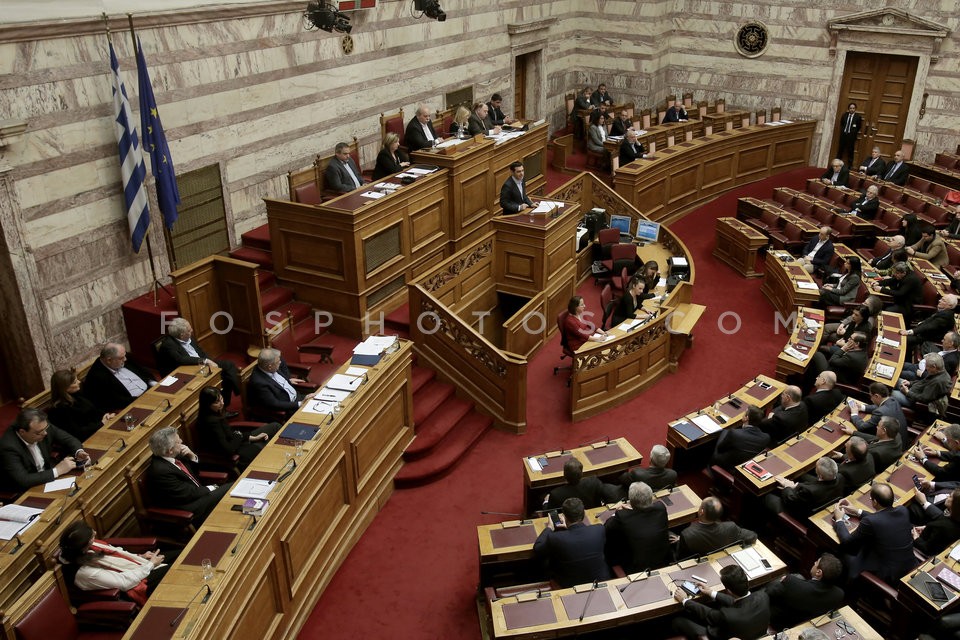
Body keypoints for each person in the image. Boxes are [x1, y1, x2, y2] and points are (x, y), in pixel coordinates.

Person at [59, 521, 177, 605]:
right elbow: (124, 582)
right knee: (180, 568)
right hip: (136, 583)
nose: (95, 533)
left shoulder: (85, 548)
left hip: (139, 567)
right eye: (91, 537)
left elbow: (116, 554)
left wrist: (141, 557)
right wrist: (150, 565)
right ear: (83, 547)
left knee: (182, 554)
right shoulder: (84, 572)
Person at [833, 482, 918, 583]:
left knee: (839, 550)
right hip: (908, 564)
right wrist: (858, 511)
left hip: (887, 573)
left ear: (875, 502)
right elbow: (884, 518)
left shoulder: (869, 522)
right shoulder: (903, 510)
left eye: (871, 499)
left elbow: (847, 542)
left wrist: (839, 520)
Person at [146, 426, 230, 525]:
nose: (181, 441)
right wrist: (212, 487)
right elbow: (187, 494)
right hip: (189, 507)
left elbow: (194, 475)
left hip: (197, 493)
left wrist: (192, 456)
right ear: (170, 450)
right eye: (178, 441)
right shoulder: (160, 471)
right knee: (232, 487)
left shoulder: (173, 455)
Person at [157, 317, 241, 412]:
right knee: (225, 377)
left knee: (228, 366)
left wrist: (208, 361)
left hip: (202, 365)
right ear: (181, 335)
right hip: (187, 372)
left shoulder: (188, 337)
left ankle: (238, 394)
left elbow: (200, 352)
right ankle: (224, 407)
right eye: (189, 330)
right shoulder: (168, 345)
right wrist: (204, 361)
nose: (192, 330)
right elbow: (181, 360)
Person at [671, 564, 770, 640]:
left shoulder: (728, 616)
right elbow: (738, 602)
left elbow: (708, 614)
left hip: (720, 636)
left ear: (729, 591)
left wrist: (685, 600)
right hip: (751, 632)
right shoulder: (763, 596)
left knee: (678, 620)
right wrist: (711, 592)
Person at [0, 408, 89, 492]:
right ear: (22, 432)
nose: (45, 433)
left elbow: (69, 439)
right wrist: (57, 470)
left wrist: (79, 452)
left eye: (45, 429)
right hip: (27, 490)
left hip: (49, 479)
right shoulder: (8, 447)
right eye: (40, 432)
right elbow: (24, 480)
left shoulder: (42, 426)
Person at [533, 497, 612, 588]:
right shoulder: (599, 529)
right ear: (583, 514)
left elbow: (538, 549)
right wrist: (570, 528)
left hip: (569, 585)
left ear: (564, 516)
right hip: (600, 582)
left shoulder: (555, 538)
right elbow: (583, 537)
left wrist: (550, 527)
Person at [197, 387, 281, 470]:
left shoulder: (217, 412)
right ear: (207, 405)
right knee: (268, 445)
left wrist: (252, 438)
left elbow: (230, 433)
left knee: (275, 427)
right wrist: (240, 436)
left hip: (238, 441)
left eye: (221, 399)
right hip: (234, 452)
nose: (222, 403)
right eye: (217, 402)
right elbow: (229, 449)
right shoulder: (211, 422)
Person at [604, 482, 672, 572]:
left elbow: (606, 527)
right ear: (651, 498)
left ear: (631, 501)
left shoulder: (622, 516)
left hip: (636, 568)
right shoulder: (660, 508)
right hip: (662, 560)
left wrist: (616, 513)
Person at [765, 554, 844, 629]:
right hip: (805, 624)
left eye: (816, 563)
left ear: (818, 572)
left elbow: (768, 592)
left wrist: (786, 580)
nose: (814, 563)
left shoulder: (790, 582)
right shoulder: (839, 594)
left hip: (779, 623)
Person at [81, 343, 157, 413]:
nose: (125, 359)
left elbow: (142, 371)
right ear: (109, 360)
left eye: (124, 356)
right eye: (121, 358)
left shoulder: (121, 357)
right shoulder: (97, 378)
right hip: (135, 404)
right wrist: (145, 398)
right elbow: (115, 401)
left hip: (151, 390)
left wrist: (153, 383)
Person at [247, 347, 316, 420]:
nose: (280, 362)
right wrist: (300, 404)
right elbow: (274, 404)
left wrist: (288, 380)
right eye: (278, 362)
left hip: (298, 397)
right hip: (290, 408)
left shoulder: (269, 365)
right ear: (270, 367)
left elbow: (282, 364)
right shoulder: (259, 383)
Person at [677, 497, 757, 559]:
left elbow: (680, 558)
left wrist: (679, 541)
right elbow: (752, 536)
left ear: (701, 512)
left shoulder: (687, 534)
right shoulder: (731, 527)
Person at [47, 368, 115, 441]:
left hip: (99, 430)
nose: (79, 382)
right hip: (87, 440)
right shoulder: (58, 409)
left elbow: (94, 409)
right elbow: (77, 433)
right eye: (74, 382)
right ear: (64, 388)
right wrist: (101, 423)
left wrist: (105, 415)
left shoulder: (77, 394)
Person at [765, 457, 844, 518]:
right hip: (820, 501)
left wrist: (787, 487)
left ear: (820, 476)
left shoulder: (809, 491)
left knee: (768, 496)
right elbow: (813, 485)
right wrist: (797, 486)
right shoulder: (840, 478)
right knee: (801, 476)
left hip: (799, 513)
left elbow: (790, 500)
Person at [711, 405, 771, 471]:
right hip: (745, 466)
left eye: (744, 413)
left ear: (746, 418)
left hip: (729, 465)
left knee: (725, 431)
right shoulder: (766, 437)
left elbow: (720, 449)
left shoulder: (735, 433)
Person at [900, 294, 959, 361]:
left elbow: (928, 327)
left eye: (943, 300)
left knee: (902, 339)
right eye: (941, 299)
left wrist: (909, 332)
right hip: (924, 333)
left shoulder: (946, 317)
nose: (939, 301)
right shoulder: (944, 311)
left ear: (950, 306)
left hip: (927, 338)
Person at [545, 457, 616, 510]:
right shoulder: (594, 482)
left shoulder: (555, 494)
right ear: (581, 474)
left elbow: (549, 512)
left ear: (564, 475)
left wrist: (546, 501)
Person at [911, 487, 960, 557]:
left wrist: (916, 538)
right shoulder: (951, 521)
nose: (948, 495)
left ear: (955, 505)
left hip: (921, 552)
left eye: (950, 496)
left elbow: (927, 549)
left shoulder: (942, 527)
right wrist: (927, 528)